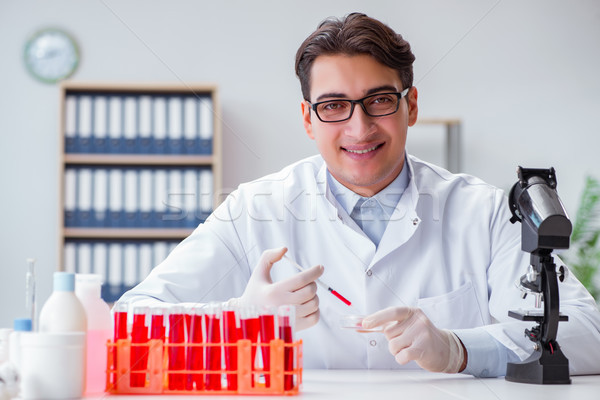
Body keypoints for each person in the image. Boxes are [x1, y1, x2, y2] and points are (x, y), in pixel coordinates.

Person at [118, 13, 600, 377]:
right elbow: (131, 324)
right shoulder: (254, 209)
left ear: (410, 105)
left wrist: (459, 348)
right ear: (308, 119)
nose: (359, 126)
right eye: (333, 106)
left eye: (379, 100)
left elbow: (588, 332)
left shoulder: (486, 210)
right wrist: (242, 318)